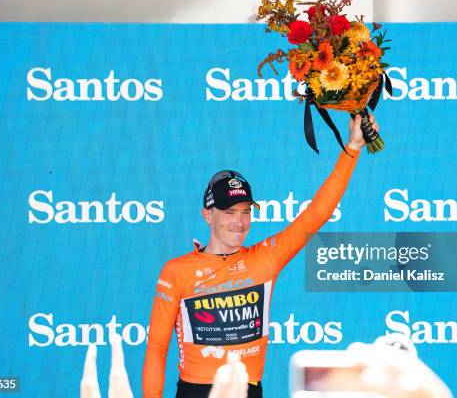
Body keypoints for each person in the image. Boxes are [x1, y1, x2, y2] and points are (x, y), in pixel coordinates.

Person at [142, 114, 380, 398]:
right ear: (208, 215)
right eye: (229, 212)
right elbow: (157, 347)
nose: (239, 222)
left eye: (245, 212)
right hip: (195, 391)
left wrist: (352, 147)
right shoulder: (176, 271)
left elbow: (318, 213)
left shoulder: (265, 259)